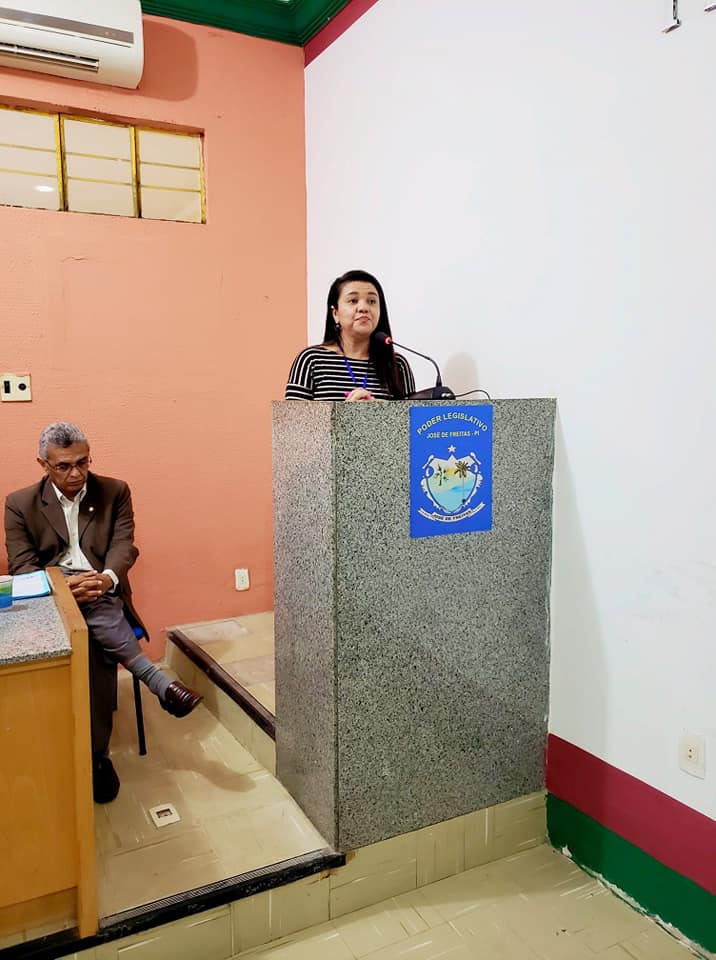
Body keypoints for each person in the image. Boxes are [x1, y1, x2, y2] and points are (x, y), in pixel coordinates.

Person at [4, 422, 203, 804]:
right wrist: (64, 588)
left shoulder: (114, 491)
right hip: (53, 594)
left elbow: (124, 545)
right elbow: (22, 565)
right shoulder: (20, 503)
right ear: (43, 464)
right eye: (63, 466)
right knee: (90, 628)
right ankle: (155, 681)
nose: (75, 473)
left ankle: (95, 755)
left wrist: (107, 578)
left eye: (82, 462)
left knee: (94, 647)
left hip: (102, 588)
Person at [285, 269, 415, 401]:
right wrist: (346, 412)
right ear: (335, 313)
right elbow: (293, 415)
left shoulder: (398, 365)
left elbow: (414, 414)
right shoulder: (311, 360)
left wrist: (380, 410)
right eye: (353, 301)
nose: (363, 308)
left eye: (371, 301)